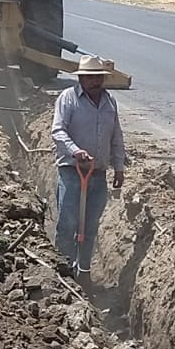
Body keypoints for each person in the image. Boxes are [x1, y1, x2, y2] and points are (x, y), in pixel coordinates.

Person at [50, 55, 127, 273]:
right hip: (72, 171)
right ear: (81, 78)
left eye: (99, 77)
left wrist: (119, 166)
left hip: (98, 173)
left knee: (90, 226)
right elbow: (58, 130)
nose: (95, 82)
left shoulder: (110, 102)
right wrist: (76, 151)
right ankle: (63, 270)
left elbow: (116, 137)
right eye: (91, 77)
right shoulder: (68, 98)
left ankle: (83, 269)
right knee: (68, 223)